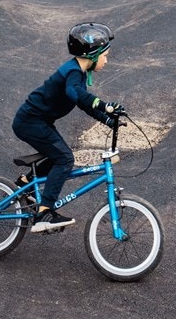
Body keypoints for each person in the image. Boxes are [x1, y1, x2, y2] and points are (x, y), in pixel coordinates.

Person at [11, 22, 123, 234]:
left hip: (39, 122)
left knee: (59, 156)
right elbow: (76, 95)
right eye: (105, 55)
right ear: (93, 54)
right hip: (30, 122)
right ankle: (44, 213)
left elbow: (83, 103)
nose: (106, 60)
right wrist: (103, 105)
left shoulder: (78, 74)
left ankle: (25, 183)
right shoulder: (72, 73)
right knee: (64, 159)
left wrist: (108, 119)